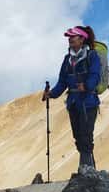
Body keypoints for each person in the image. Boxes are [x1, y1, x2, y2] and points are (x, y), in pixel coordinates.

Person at [42, 25, 101, 169]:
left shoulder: (92, 56)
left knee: (86, 135)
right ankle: (88, 169)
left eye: (72, 37)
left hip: (88, 102)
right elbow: (62, 81)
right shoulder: (67, 59)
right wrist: (52, 94)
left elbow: (95, 75)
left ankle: (86, 170)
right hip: (74, 103)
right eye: (69, 37)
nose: (70, 39)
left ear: (82, 39)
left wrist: (87, 86)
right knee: (78, 136)